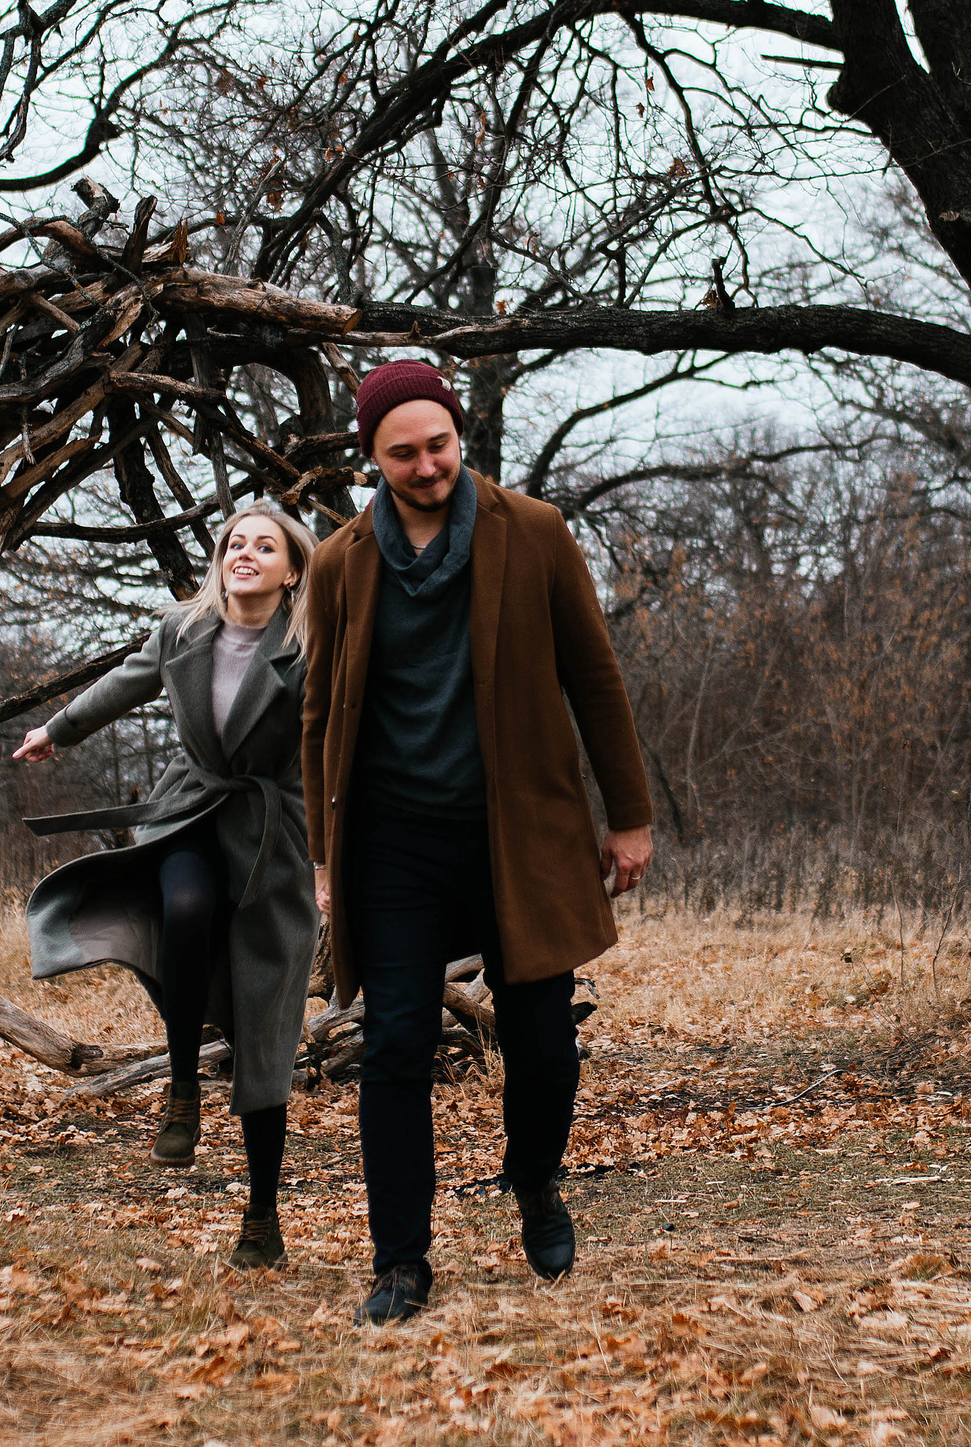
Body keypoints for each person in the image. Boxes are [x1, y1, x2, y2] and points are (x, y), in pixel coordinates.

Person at [302, 359, 655, 1326]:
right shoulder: (340, 561)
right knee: (396, 1046)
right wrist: (324, 854)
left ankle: (536, 1180)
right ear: (372, 458)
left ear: (460, 436)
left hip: (522, 831)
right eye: (404, 453)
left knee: (542, 1044)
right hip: (393, 843)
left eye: (440, 445)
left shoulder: (532, 532)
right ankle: (401, 1259)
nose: (427, 466)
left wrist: (629, 815)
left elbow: (596, 675)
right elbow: (320, 711)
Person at [13, 500, 323, 1270]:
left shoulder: (310, 648)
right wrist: (58, 730)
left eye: (264, 546)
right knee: (178, 906)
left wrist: (330, 866)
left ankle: (262, 1212)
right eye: (234, 543)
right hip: (190, 809)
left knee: (265, 1036)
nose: (244, 553)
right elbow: (122, 683)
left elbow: (336, 756)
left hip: (272, 838)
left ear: (291, 571)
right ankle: (183, 1083)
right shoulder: (184, 631)